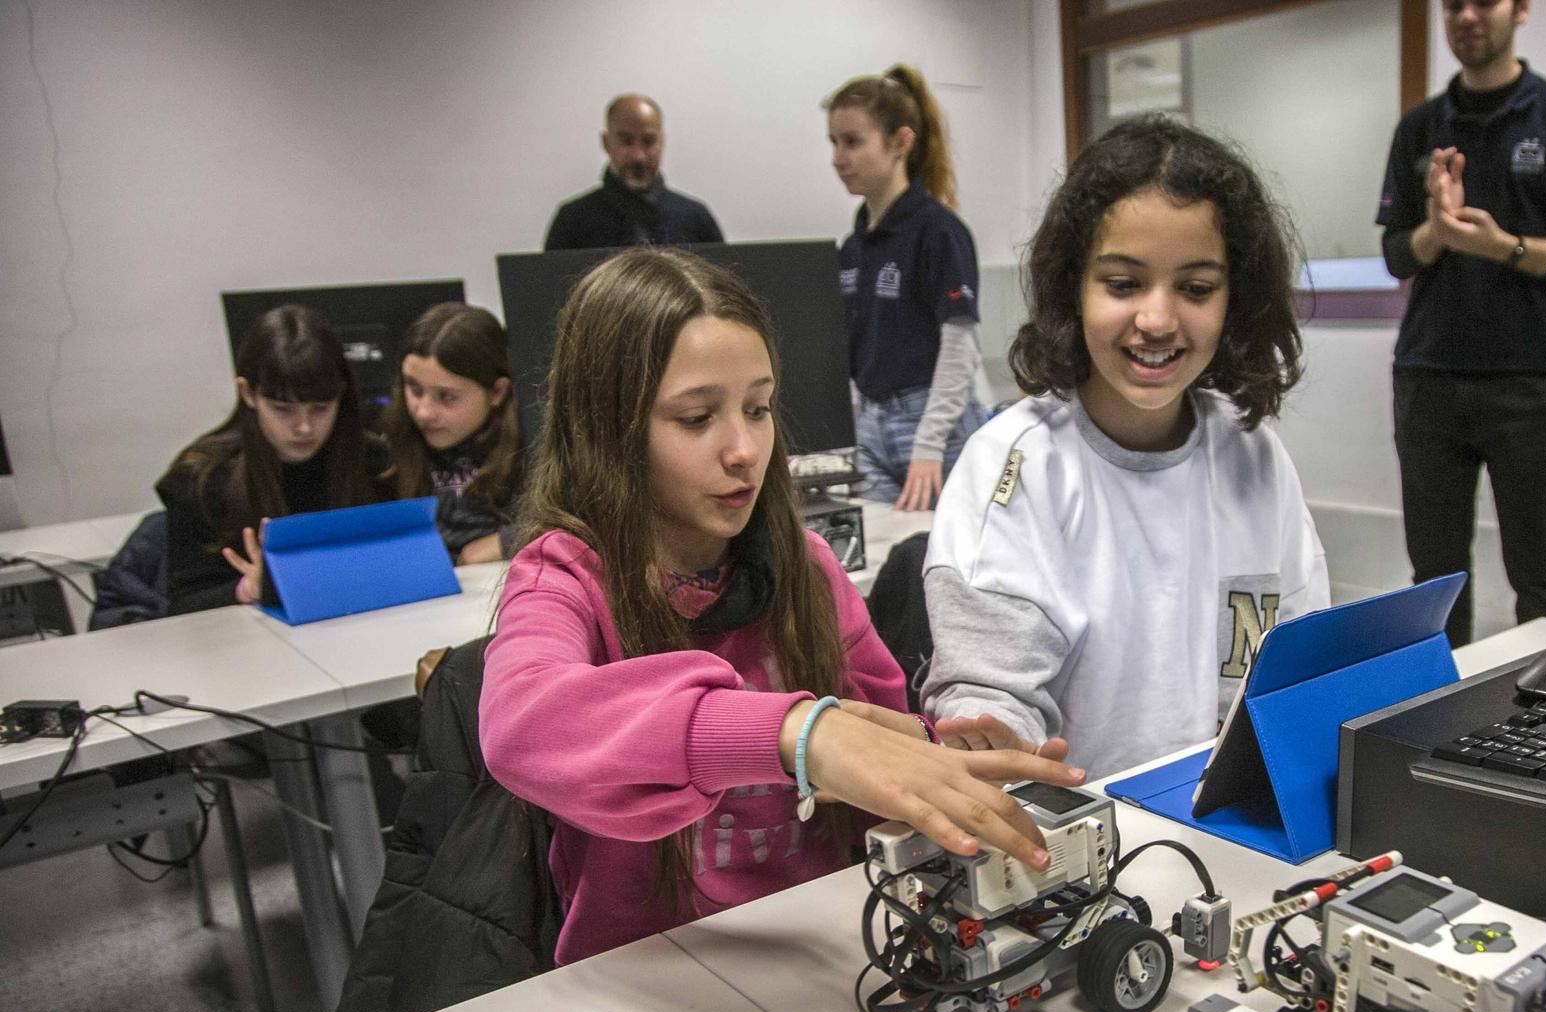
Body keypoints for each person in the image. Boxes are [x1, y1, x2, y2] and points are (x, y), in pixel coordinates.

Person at [479, 248, 1083, 965]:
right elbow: (522, 724)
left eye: (759, 408)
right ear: (608, 428)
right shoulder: (563, 577)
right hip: (650, 986)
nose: (745, 449)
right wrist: (797, 732)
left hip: (824, 957)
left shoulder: (805, 568)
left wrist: (933, 762)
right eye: (697, 417)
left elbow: (874, 779)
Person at [921, 116, 1331, 780]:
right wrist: (991, 738)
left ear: (1236, 300)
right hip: (1080, 840)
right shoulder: (1017, 464)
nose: (1158, 319)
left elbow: (1300, 660)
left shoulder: (1253, 453)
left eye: (1196, 289)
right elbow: (992, 699)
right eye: (1122, 283)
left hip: (1231, 828)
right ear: (1072, 287)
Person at [1376, 0, 1546, 647]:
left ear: (1521, 10)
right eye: (1452, 4)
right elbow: (1397, 252)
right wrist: (1439, 230)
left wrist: (1503, 247)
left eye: (1483, 1)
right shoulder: (1420, 127)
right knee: (1435, 576)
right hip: (1429, 379)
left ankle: (1542, 721)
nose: (1465, 16)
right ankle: (1439, 713)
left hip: (1532, 383)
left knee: (1541, 577)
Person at [155, 305, 387, 615]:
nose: (304, 427)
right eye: (283, 409)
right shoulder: (201, 478)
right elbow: (183, 606)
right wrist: (245, 590)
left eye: (320, 408)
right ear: (248, 393)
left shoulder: (371, 459)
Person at [826, 65, 984, 511]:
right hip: (872, 425)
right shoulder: (854, 247)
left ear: (900, 142)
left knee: (942, 559)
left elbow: (959, 348)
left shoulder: (938, 231)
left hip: (933, 424)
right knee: (881, 555)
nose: (839, 157)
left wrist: (929, 445)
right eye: (834, 143)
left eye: (853, 142)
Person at [382, 302, 520, 564]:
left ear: (497, 392)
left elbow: (578, 524)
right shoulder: (388, 445)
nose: (423, 412)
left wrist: (507, 541)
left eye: (446, 397)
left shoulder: (534, 447)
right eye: (414, 388)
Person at [543, 94, 724, 251]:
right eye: (626, 141)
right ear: (606, 143)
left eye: (648, 141)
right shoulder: (572, 221)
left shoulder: (695, 218)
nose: (638, 156)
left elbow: (722, 289)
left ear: (662, 142)